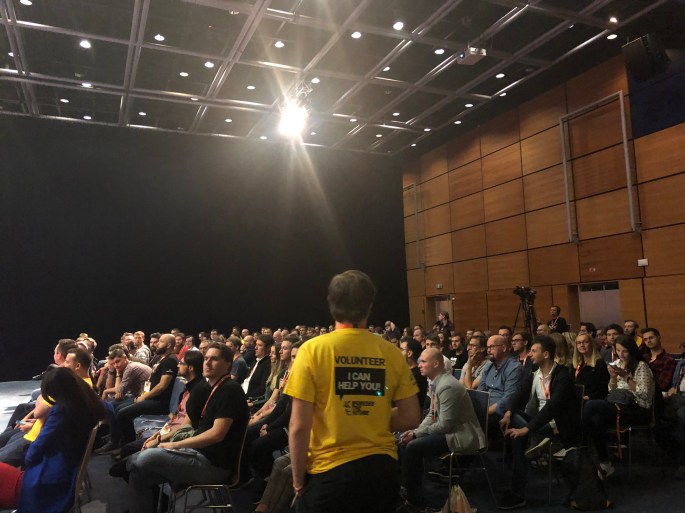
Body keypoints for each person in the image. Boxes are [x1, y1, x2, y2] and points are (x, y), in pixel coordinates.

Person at [285, 270, 420, 513]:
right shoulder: (390, 352)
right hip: (382, 472)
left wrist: (297, 482)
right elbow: (411, 417)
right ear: (370, 305)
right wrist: (369, 417)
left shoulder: (311, 351)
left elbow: (299, 426)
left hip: (330, 474)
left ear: (331, 304)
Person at [126, 342, 249, 513]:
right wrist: (163, 440)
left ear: (228, 364)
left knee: (141, 459)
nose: (207, 363)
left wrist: (174, 445)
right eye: (206, 359)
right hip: (199, 454)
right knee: (139, 473)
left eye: (214, 359)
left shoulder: (230, 390)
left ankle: (127, 464)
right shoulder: (215, 388)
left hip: (213, 465)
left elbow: (217, 434)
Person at [0, 368, 106, 512]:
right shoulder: (88, 404)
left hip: (46, 481)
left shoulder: (61, 411)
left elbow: (33, 453)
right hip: (64, 473)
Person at [499, 336, 581, 509]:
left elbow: (552, 407)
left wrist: (527, 429)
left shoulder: (563, 376)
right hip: (540, 422)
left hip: (558, 426)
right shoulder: (535, 373)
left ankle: (518, 492)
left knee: (518, 436)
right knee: (514, 418)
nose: (529, 354)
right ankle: (534, 443)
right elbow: (519, 393)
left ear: (546, 354)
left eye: (533, 351)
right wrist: (508, 413)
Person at [399, 348, 485, 510]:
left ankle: (414, 499)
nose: (419, 365)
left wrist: (416, 435)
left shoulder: (447, 386)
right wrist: (415, 431)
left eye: (423, 361)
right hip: (451, 431)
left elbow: (445, 425)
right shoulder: (436, 382)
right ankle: (409, 490)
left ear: (436, 364)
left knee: (413, 447)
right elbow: (432, 415)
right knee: (406, 441)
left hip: (461, 435)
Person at [583, 336, 655, 477]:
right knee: (595, 420)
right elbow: (611, 391)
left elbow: (644, 394)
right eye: (618, 350)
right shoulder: (616, 363)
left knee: (590, 404)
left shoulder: (641, 366)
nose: (621, 354)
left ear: (632, 351)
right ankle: (605, 462)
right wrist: (613, 377)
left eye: (625, 351)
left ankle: (581, 446)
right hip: (617, 404)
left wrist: (627, 377)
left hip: (637, 408)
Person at [573, 333, 610, 400]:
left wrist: (587, 397)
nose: (582, 345)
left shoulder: (599, 363)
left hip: (590, 400)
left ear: (591, 344)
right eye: (579, 343)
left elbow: (603, 391)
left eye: (585, 342)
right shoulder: (576, 364)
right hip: (576, 399)